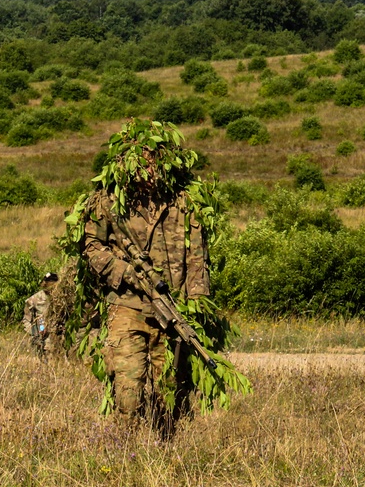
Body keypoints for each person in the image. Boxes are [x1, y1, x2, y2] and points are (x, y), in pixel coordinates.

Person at [62, 119, 245, 435]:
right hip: (126, 305)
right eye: (142, 162)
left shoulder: (184, 201)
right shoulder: (108, 200)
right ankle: (125, 449)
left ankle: (164, 449)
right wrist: (123, 272)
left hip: (170, 308)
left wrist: (195, 307)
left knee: (167, 390)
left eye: (155, 162)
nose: (149, 170)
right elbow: (91, 247)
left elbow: (197, 259)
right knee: (128, 387)